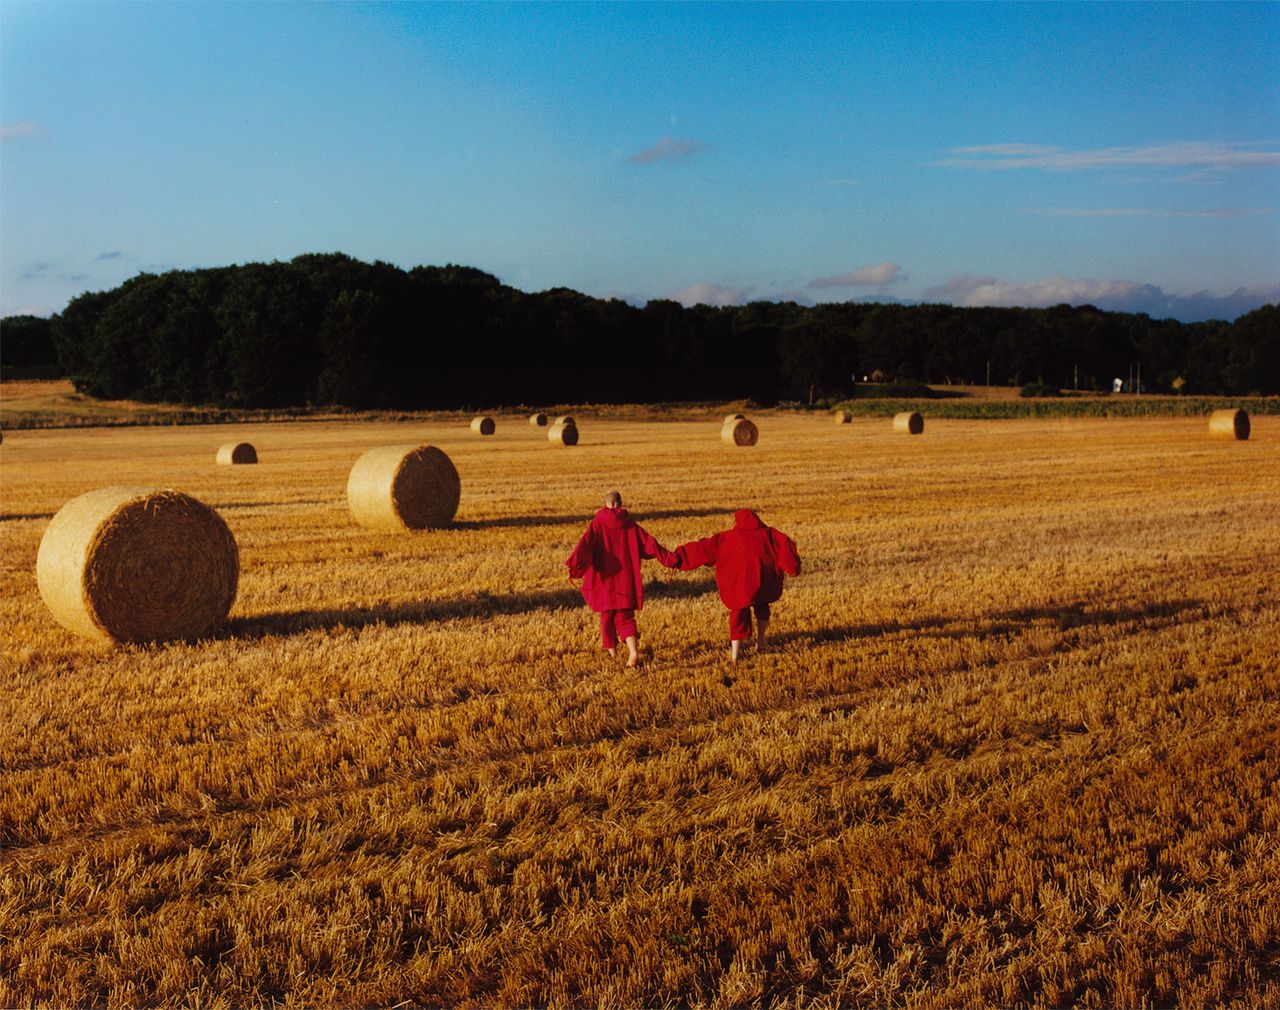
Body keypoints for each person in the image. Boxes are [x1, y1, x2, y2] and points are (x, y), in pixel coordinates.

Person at [566, 491, 677, 667]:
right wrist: (668, 558)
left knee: (607, 618)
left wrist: (574, 566)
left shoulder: (597, 524)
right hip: (626, 581)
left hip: (605, 582)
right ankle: (633, 653)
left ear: (607, 504)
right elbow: (649, 543)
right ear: (620, 504)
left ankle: (613, 654)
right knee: (626, 617)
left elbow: (584, 546)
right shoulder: (630, 524)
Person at [674, 509, 801, 662]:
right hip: (763, 582)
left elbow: (702, 549)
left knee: (738, 615)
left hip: (740, 585)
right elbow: (786, 547)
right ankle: (761, 642)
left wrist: (677, 558)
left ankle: (735, 655)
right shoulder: (769, 534)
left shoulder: (726, 538)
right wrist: (793, 568)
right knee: (763, 608)